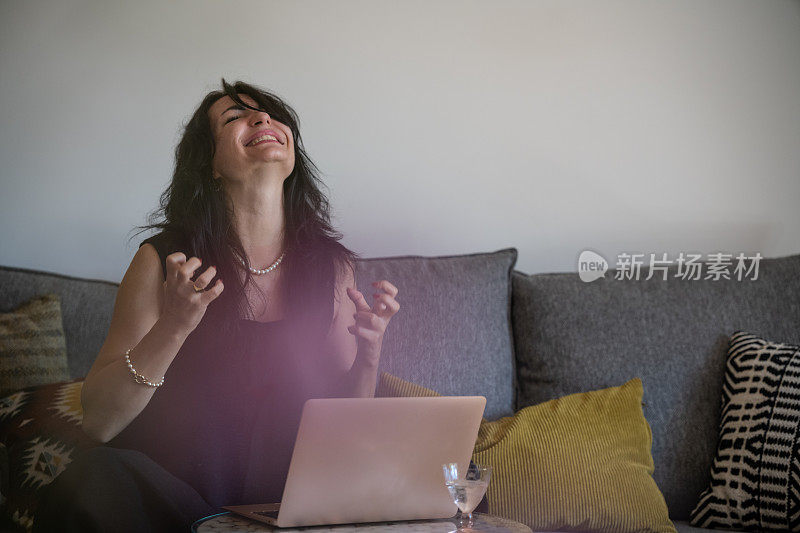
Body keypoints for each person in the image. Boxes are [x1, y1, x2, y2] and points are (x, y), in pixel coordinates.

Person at [33, 79, 400, 532]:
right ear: (208, 164)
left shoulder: (332, 268)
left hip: (284, 510)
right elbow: (100, 422)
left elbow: (346, 435)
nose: (263, 119)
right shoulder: (164, 260)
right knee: (94, 478)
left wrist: (370, 355)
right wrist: (174, 326)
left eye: (269, 114)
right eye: (235, 117)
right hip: (174, 506)